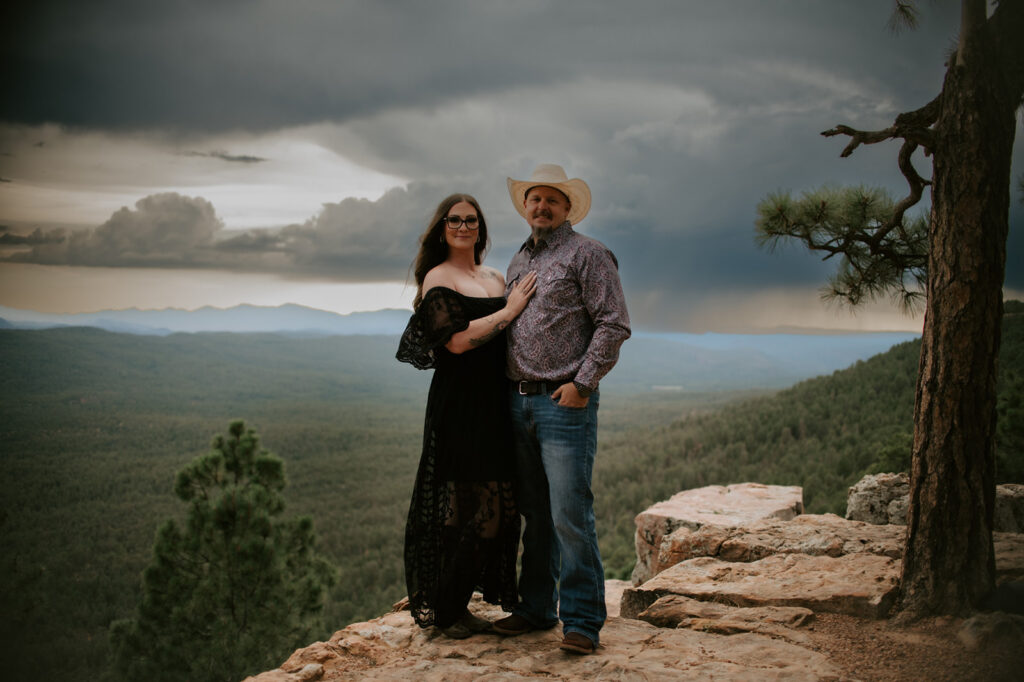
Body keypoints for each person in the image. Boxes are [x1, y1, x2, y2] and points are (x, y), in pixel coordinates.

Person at [492, 165, 630, 655]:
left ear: (567, 208)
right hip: (517, 400)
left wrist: (583, 383)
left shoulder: (588, 254)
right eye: (534, 200)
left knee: (570, 513)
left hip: (562, 402)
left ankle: (583, 622)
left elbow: (613, 324)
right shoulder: (516, 261)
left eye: (552, 200)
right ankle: (535, 609)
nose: (542, 207)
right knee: (534, 512)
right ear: (525, 206)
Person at [396, 193, 538, 639]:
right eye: (454, 220)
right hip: (460, 404)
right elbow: (455, 342)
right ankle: (447, 606)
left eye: (471, 220)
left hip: (496, 401)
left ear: (481, 227)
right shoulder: (439, 277)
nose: (462, 226)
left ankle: (451, 605)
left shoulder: (495, 276)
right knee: (483, 508)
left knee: (475, 509)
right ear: (442, 229)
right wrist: (511, 310)